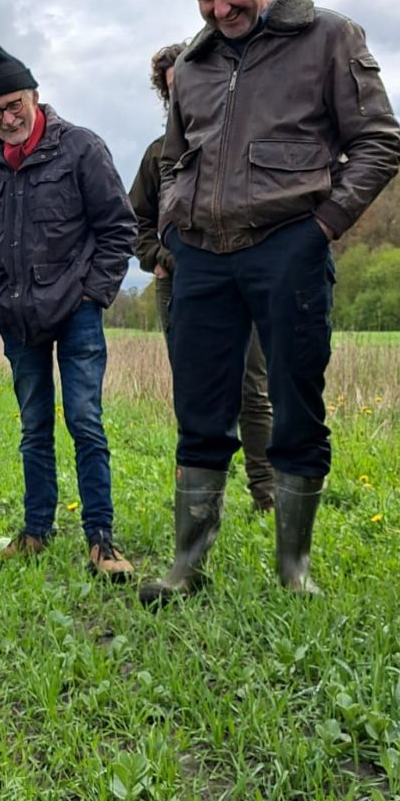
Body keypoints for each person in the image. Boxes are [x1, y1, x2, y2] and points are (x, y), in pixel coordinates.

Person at [139, 0, 400, 605]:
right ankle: (186, 565)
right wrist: (172, 227)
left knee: (294, 403)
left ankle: (294, 569)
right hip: (200, 257)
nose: (221, 8)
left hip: (289, 245)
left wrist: (321, 228)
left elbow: (378, 142)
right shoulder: (192, 65)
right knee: (198, 411)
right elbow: (172, 160)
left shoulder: (329, 39)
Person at [0, 40, 136, 577]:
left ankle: (101, 541)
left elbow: (118, 228)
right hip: (18, 320)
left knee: (85, 421)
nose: (7, 118)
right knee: (34, 427)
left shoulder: (81, 149)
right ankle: (37, 532)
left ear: (34, 95)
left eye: (14, 104)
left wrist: (93, 294)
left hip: (77, 312)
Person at [129, 41, 275, 512]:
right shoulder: (156, 156)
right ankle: (200, 501)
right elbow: (133, 221)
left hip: (243, 278)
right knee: (195, 394)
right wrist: (157, 256)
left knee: (253, 390)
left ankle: (266, 494)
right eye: (173, 88)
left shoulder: (239, 141)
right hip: (179, 285)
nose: (183, 94)